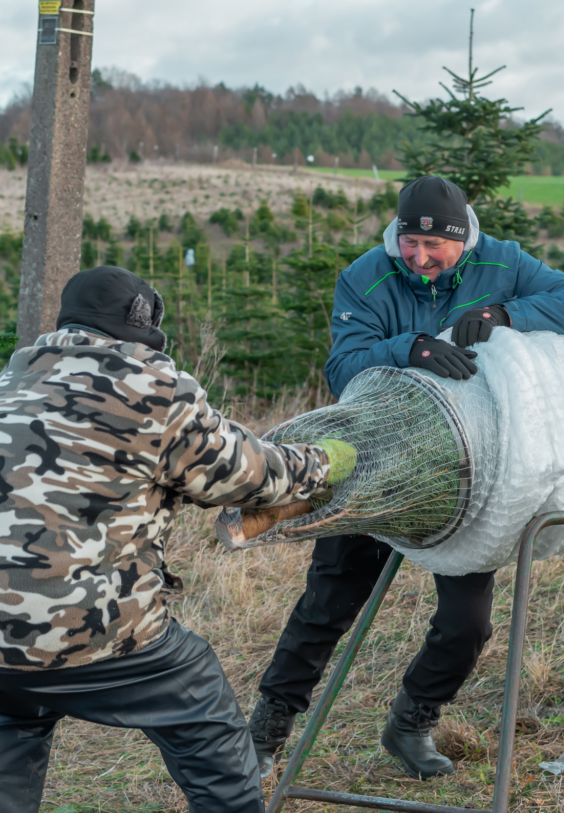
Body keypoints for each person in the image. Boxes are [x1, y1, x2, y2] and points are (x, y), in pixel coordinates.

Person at [248, 175, 564, 780]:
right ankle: (265, 734)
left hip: (466, 475)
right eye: (408, 243)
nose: (418, 258)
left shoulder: (503, 262)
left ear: (463, 240)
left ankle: (411, 723)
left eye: (433, 247)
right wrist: (410, 348)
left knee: (467, 623)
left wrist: (508, 312)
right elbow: (343, 365)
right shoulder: (366, 275)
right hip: (373, 452)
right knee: (327, 602)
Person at [0, 266, 348, 813]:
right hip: (84, 629)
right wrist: (326, 462)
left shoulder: (9, 381)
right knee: (205, 716)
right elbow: (255, 476)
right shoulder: (151, 392)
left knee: (12, 723)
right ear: (142, 324)